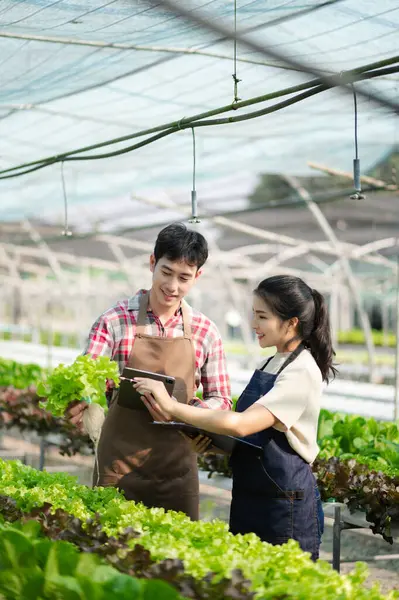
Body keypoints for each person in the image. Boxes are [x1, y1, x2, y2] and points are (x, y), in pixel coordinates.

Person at [133, 275, 336, 560]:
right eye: (254, 315)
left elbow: (240, 424)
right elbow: (256, 436)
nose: (254, 325)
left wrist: (173, 407)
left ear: (291, 323)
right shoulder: (272, 361)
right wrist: (214, 444)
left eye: (262, 317)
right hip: (252, 496)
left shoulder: (301, 370)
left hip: (283, 505)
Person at [66, 222, 231, 520]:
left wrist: (193, 415)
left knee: (177, 560)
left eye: (184, 278)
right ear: (152, 262)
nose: (172, 286)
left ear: (197, 277)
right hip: (118, 468)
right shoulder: (115, 321)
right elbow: (86, 378)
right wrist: (81, 401)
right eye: (166, 272)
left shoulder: (206, 331)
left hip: (178, 470)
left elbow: (221, 398)